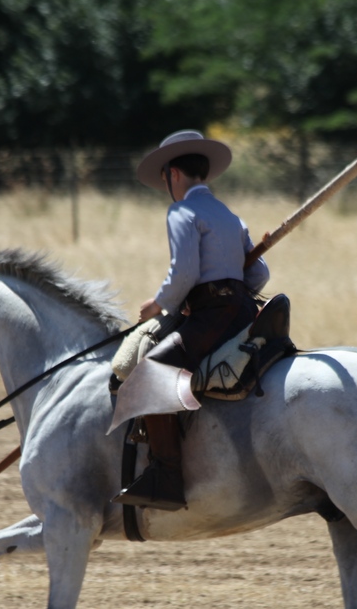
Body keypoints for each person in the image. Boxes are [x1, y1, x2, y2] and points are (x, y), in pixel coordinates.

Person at [113, 130, 269, 511]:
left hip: (211, 315)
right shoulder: (231, 215)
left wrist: (158, 305)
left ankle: (166, 476)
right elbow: (259, 276)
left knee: (151, 372)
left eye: (166, 177)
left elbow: (183, 273)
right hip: (244, 312)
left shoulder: (181, 211)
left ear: (173, 174)